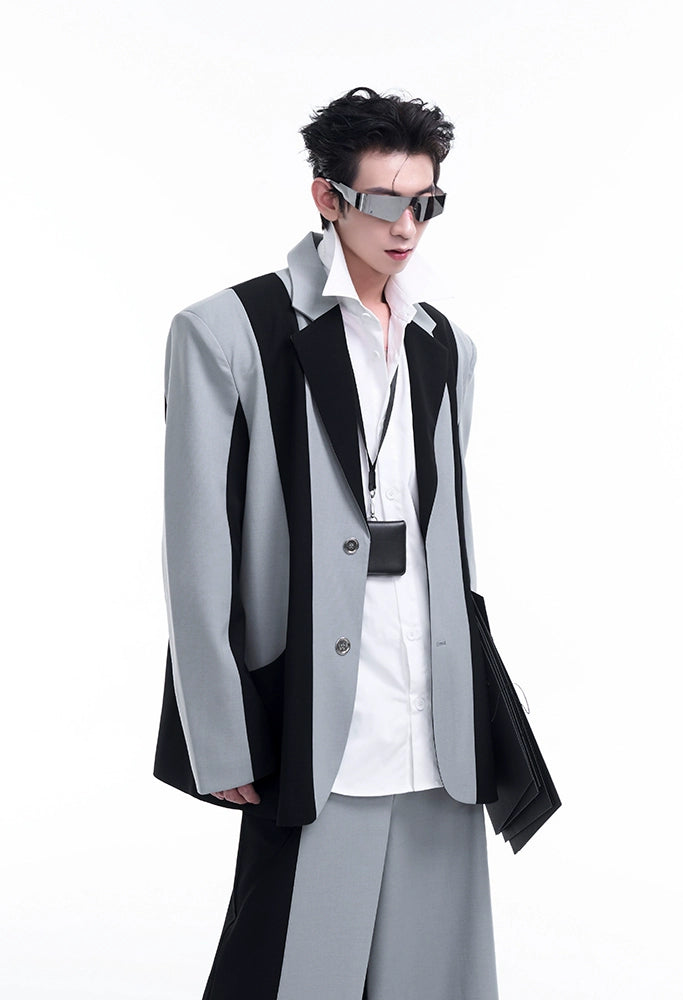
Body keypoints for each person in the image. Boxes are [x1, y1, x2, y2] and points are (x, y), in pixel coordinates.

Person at [154, 86, 501, 1000]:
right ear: (327, 197)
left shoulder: (444, 345)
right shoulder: (227, 332)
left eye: (426, 203)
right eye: (385, 202)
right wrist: (221, 734)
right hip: (311, 713)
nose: (407, 227)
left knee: (438, 977)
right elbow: (195, 551)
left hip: (436, 719)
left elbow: (450, 540)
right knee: (294, 970)